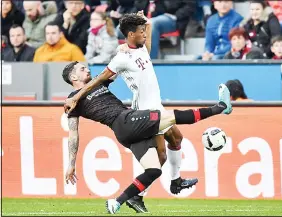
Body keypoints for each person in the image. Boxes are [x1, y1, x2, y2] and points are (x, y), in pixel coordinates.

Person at [63, 61, 232, 214]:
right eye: (82, 68)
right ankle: (220, 107)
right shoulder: (71, 100)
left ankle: (117, 202)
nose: (87, 69)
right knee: (171, 117)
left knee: (154, 170)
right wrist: (71, 164)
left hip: (126, 131)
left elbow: (116, 69)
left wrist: (126, 56)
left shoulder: (97, 83)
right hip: (124, 121)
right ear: (73, 76)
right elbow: (73, 133)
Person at [105, 12, 197, 213]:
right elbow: (106, 76)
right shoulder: (123, 56)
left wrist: (145, 21)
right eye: (140, 30)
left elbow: (147, 34)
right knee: (160, 158)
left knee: (176, 139)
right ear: (131, 34)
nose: (144, 33)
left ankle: (175, 181)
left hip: (157, 107)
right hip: (146, 113)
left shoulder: (141, 50)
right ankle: (136, 196)